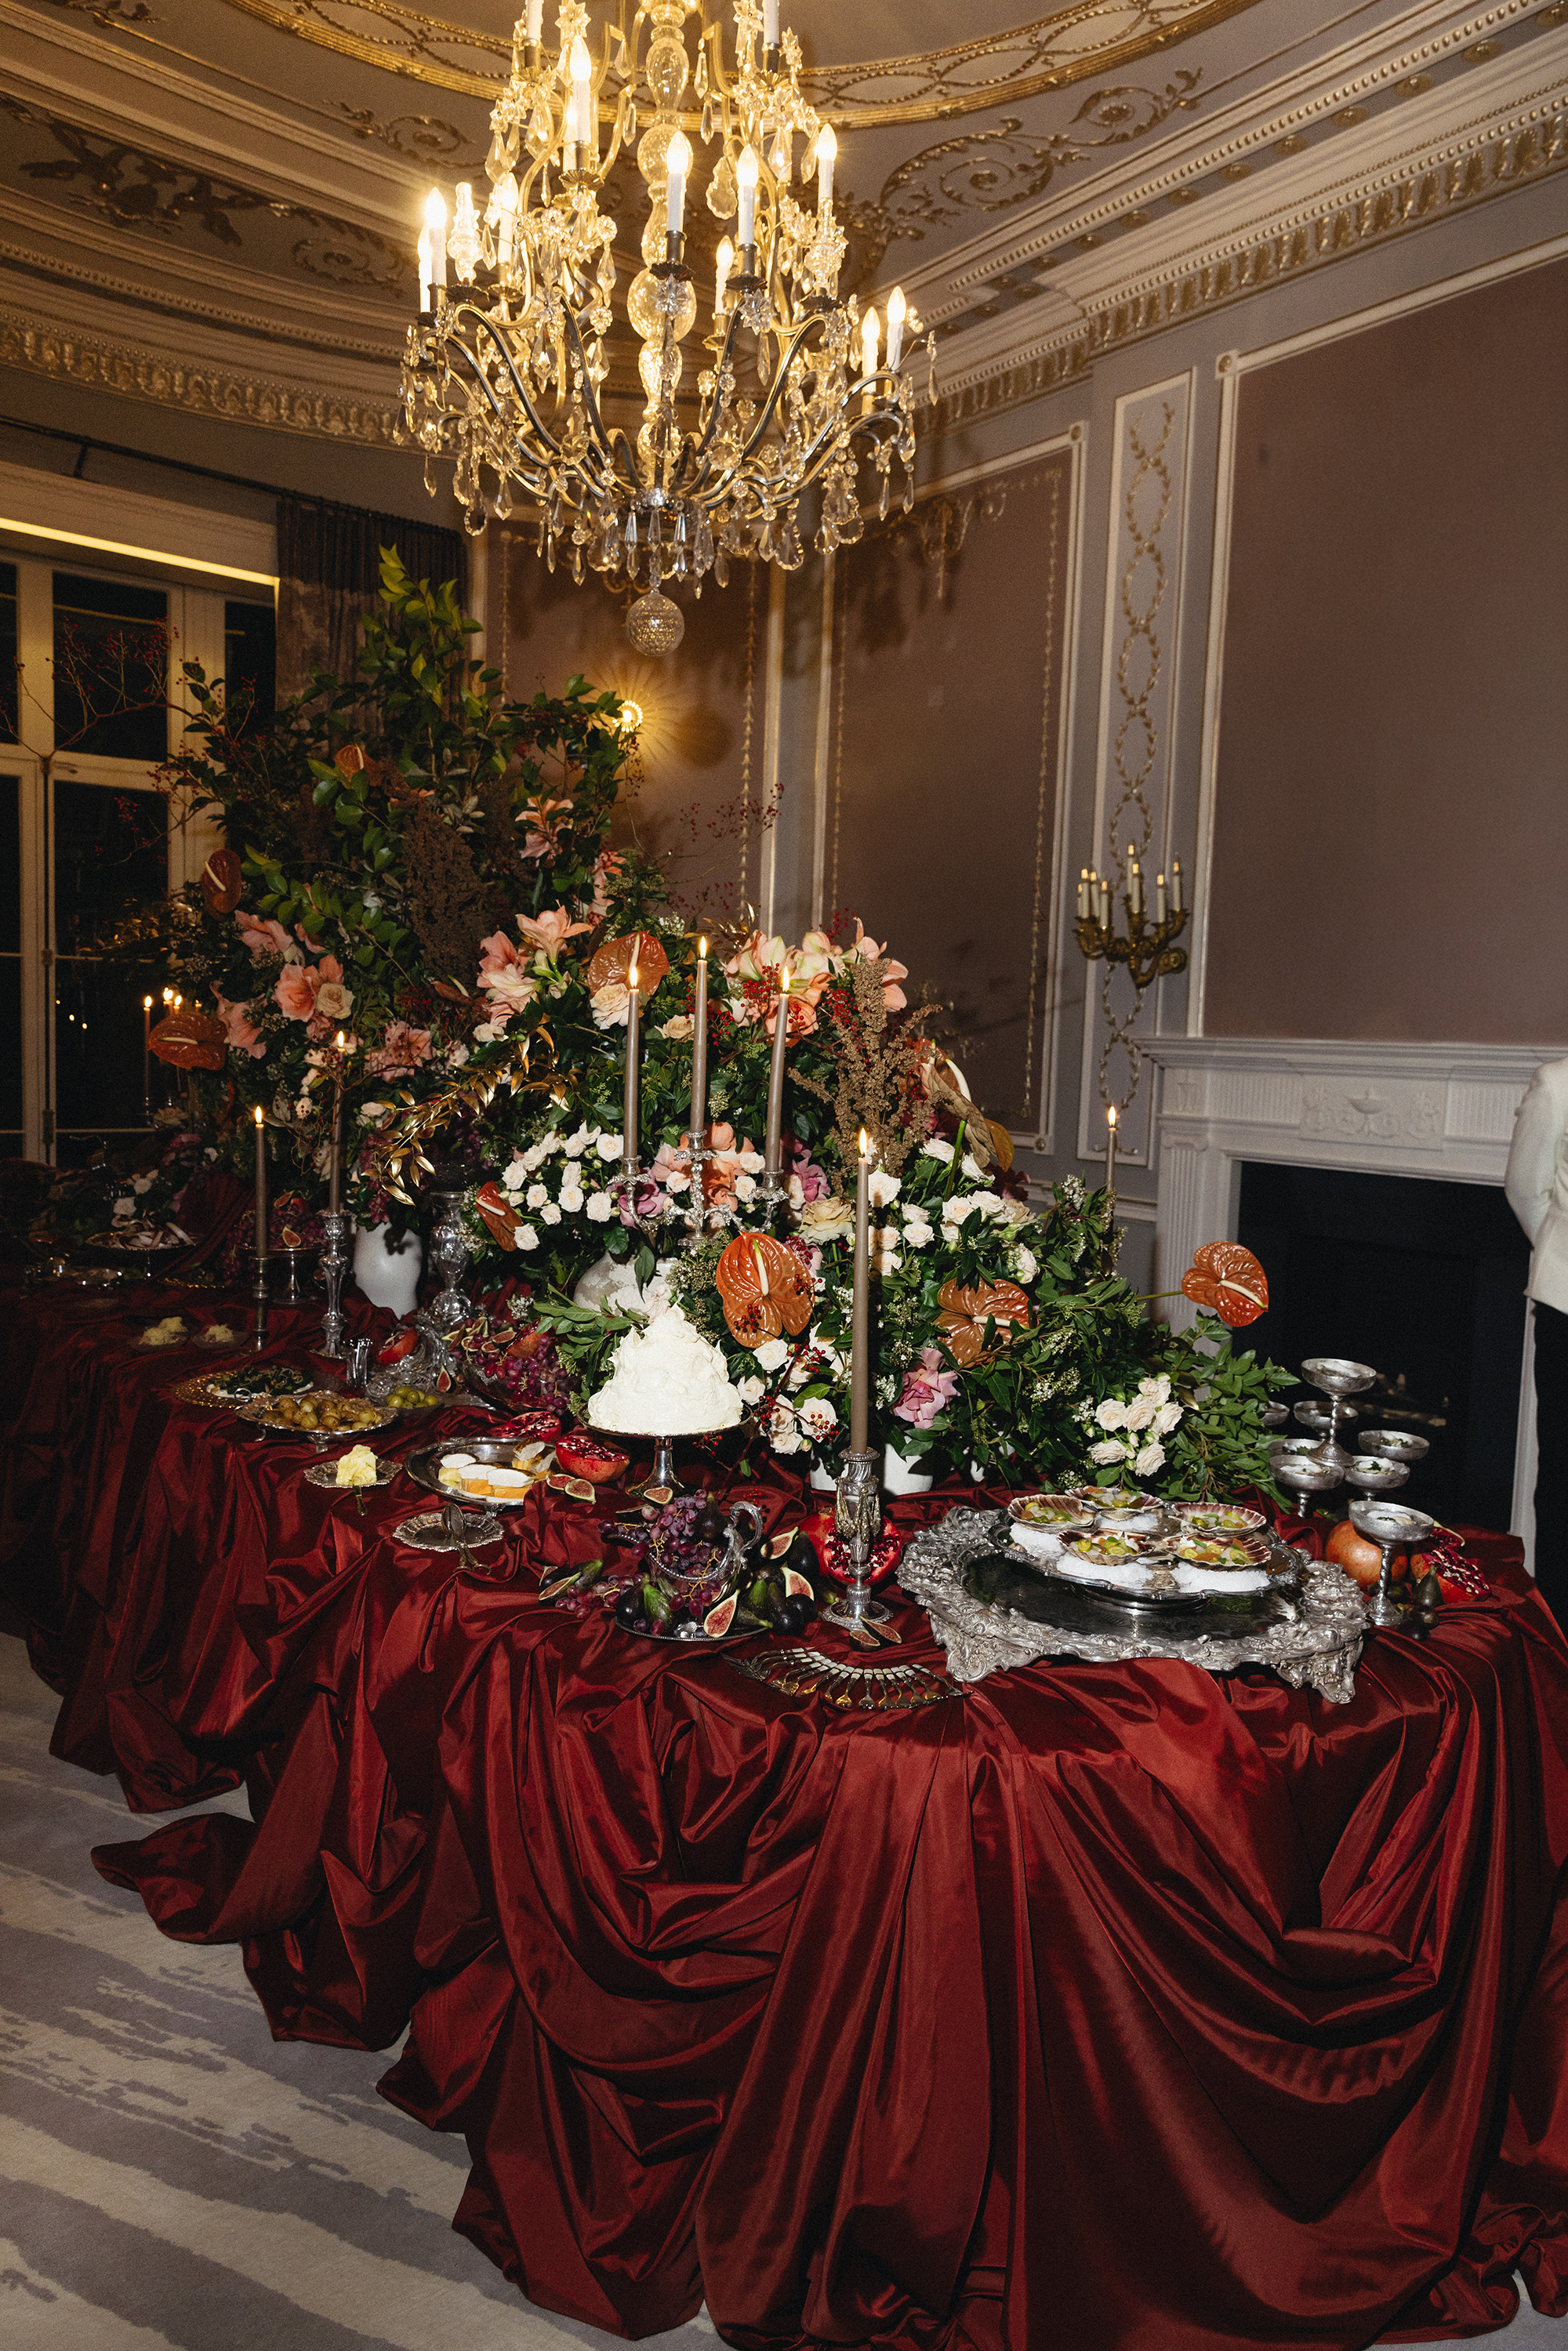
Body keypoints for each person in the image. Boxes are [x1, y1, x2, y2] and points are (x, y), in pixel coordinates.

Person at [1505, 1056, 1568, 1629]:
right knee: (1563, 1486)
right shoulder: (1557, 1083)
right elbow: (1527, 1190)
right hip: (1567, 1307)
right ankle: (1558, 1639)